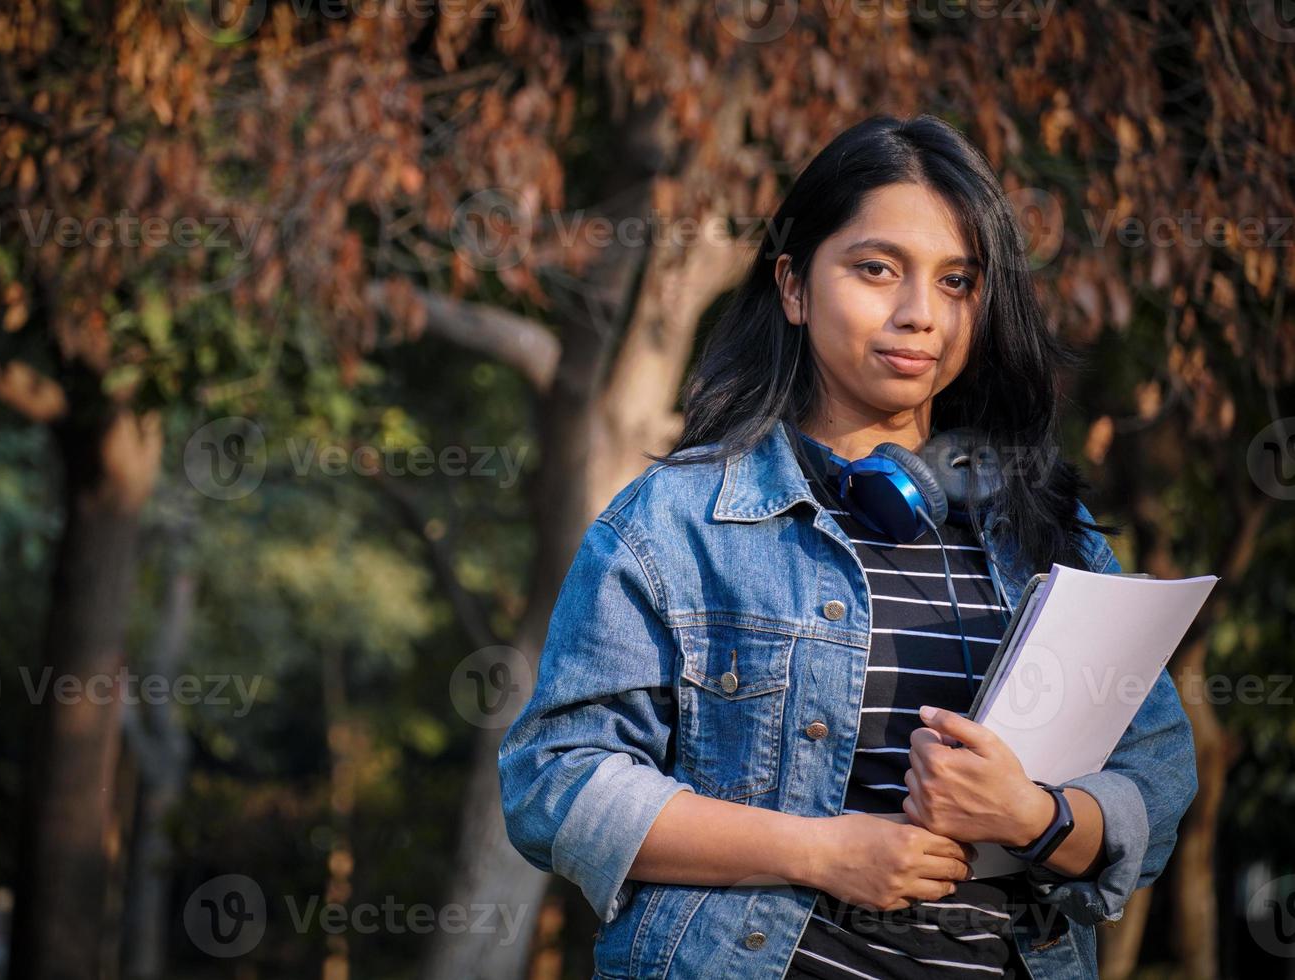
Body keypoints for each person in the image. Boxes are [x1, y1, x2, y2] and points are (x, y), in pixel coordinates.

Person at [497, 113, 1198, 980]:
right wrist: (819, 852)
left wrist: (1032, 817)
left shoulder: (1051, 537)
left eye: (956, 281)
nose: (919, 315)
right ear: (793, 286)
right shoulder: (675, 521)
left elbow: (1157, 777)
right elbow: (555, 784)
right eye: (877, 270)